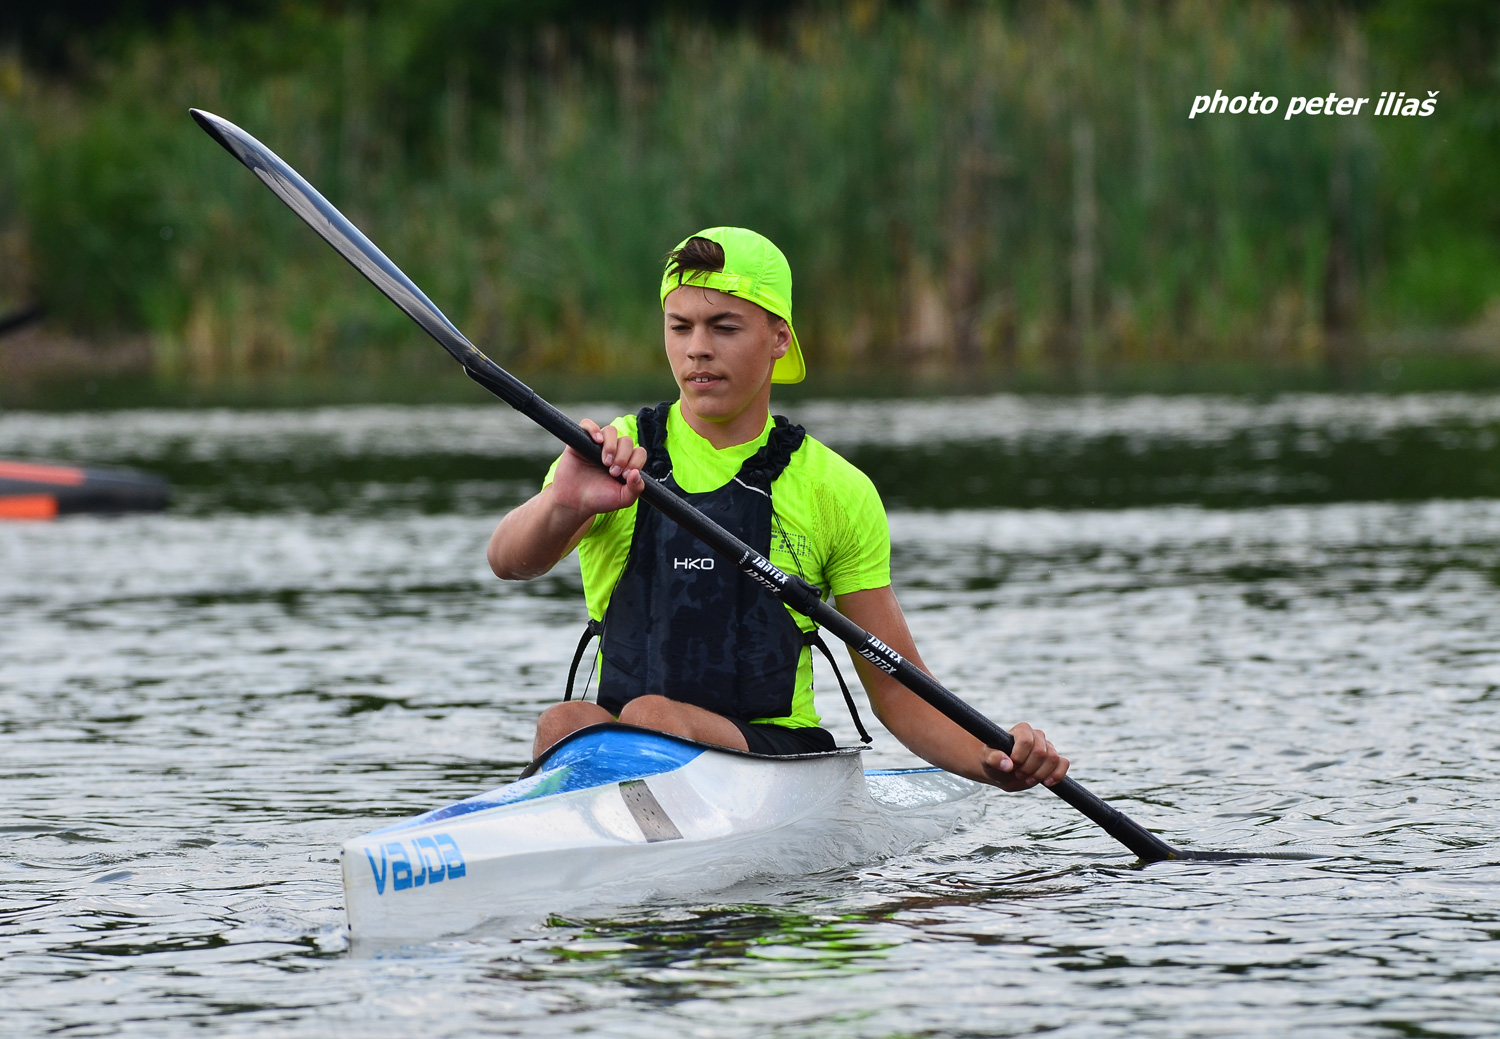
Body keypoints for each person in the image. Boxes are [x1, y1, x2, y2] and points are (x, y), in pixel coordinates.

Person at [488, 227, 1068, 792]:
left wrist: (989, 757)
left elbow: (895, 686)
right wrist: (562, 503)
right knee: (564, 723)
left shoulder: (833, 488)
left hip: (775, 763)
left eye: (725, 327)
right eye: (679, 326)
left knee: (654, 716)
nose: (697, 348)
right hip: (623, 747)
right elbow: (507, 561)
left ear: (779, 338)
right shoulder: (612, 454)